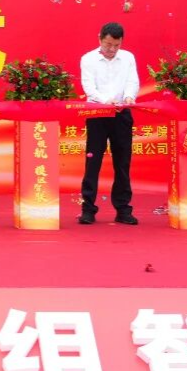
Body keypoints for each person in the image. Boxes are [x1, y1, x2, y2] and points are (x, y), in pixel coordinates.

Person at [78, 22, 140, 225]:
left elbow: (132, 81)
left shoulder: (128, 57)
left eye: (116, 45)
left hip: (122, 113)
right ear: (100, 39)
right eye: (108, 44)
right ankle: (88, 209)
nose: (112, 49)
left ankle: (123, 209)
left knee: (122, 162)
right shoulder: (88, 59)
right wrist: (106, 101)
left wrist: (129, 96)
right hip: (98, 113)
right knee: (93, 162)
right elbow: (89, 87)